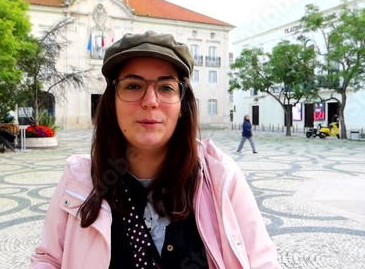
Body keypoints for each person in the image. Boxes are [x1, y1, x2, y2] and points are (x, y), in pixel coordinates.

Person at [30, 31, 280, 268]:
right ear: (112, 102)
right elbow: (49, 259)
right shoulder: (80, 180)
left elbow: (260, 261)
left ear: (182, 104)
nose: (150, 101)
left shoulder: (220, 178)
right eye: (133, 86)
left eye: (166, 87)